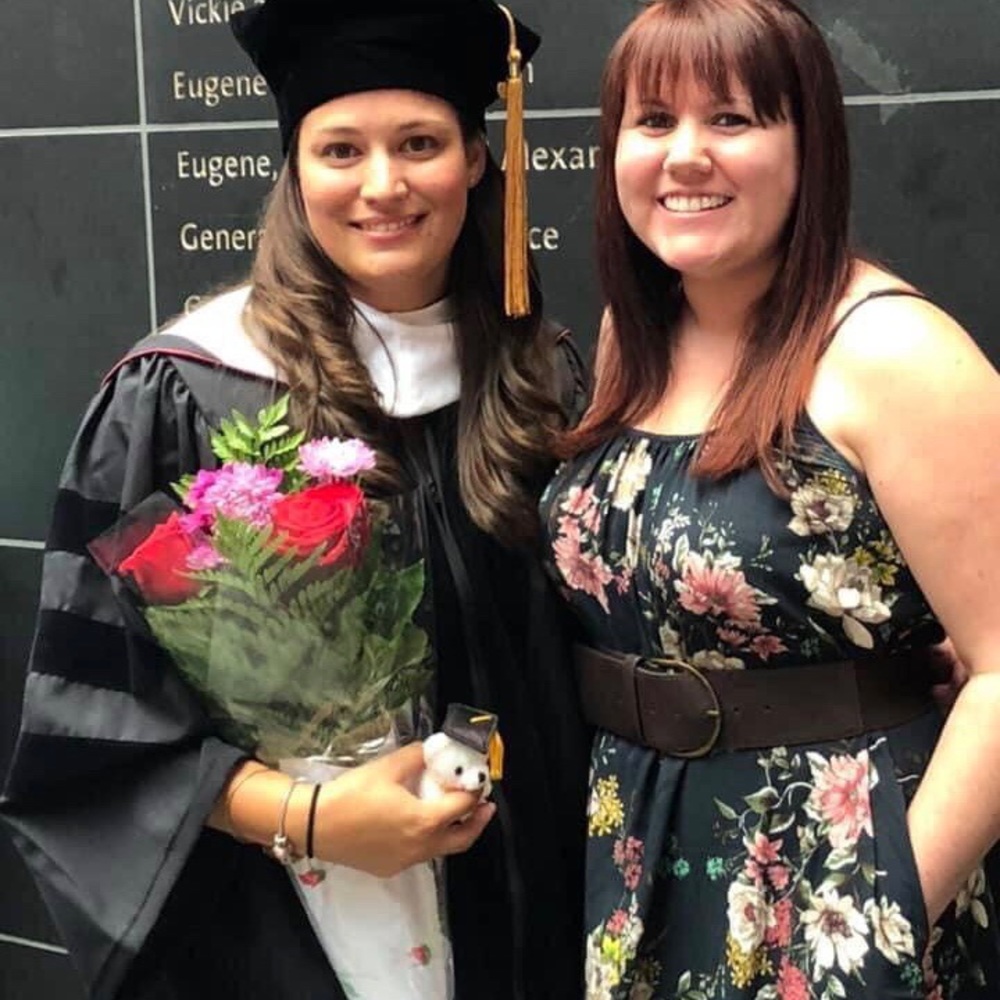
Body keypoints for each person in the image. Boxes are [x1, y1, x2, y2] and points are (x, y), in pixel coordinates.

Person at [0, 1, 590, 998]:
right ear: (293, 167)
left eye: (420, 144)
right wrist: (313, 818)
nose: (383, 184)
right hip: (287, 931)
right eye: (339, 149)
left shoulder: (541, 378)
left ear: (477, 161)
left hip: (536, 922)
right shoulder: (185, 393)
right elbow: (93, 735)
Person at [540, 0, 1000, 996]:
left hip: (841, 878)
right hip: (646, 853)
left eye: (733, 120)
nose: (685, 155)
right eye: (652, 122)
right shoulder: (635, 338)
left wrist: (879, 920)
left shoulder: (891, 353)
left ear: (809, 146)